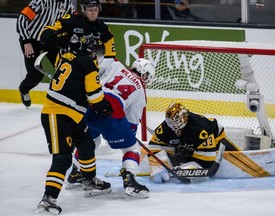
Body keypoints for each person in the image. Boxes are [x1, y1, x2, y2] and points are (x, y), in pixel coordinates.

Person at [36, 34, 113, 215]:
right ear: (90, 51)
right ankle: (48, 198)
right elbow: (94, 95)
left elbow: (75, 85)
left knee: (86, 145)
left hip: (74, 114)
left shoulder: (68, 57)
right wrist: (103, 107)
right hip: (56, 114)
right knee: (63, 158)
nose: (98, 56)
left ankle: (89, 180)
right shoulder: (88, 64)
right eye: (97, 52)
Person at [67, 57, 156, 198]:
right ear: (144, 74)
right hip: (111, 115)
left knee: (91, 140)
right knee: (132, 148)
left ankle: (76, 172)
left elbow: (93, 75)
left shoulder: (116, 65)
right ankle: (129, 180)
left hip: (90, 107)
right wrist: (125, 136)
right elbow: (132, 123)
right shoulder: (141, 92)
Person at [148, 102, 241, 182]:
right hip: (189, 142)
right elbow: (152, 147)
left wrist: (190, 153)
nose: (174, 127)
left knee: (200, 160)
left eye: (177, 122)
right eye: (171, 123)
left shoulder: (199, 130)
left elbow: (209, 160)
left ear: (185, 117)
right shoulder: (166, 128)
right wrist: (158, 163)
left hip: (216, 138)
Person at [16, 0, 75, 108]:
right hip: (31, 39)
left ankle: (64, 98)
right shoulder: (41, 1)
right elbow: (22, 19)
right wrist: (26, 41)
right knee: (36, 75)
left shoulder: (67, 2)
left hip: (50, 39)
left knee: (63, 67)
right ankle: (24, 88)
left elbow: (73, 19)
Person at [40, 0, 116, 71]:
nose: (93, 13)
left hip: (90, 65)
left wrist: (102, 69)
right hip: (70, 62)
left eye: (95, 10)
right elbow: (50, 30)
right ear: (84, 10)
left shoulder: (103, 28)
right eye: (90, 10)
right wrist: (49, 34)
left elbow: (110, 54)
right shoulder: (72, 20)